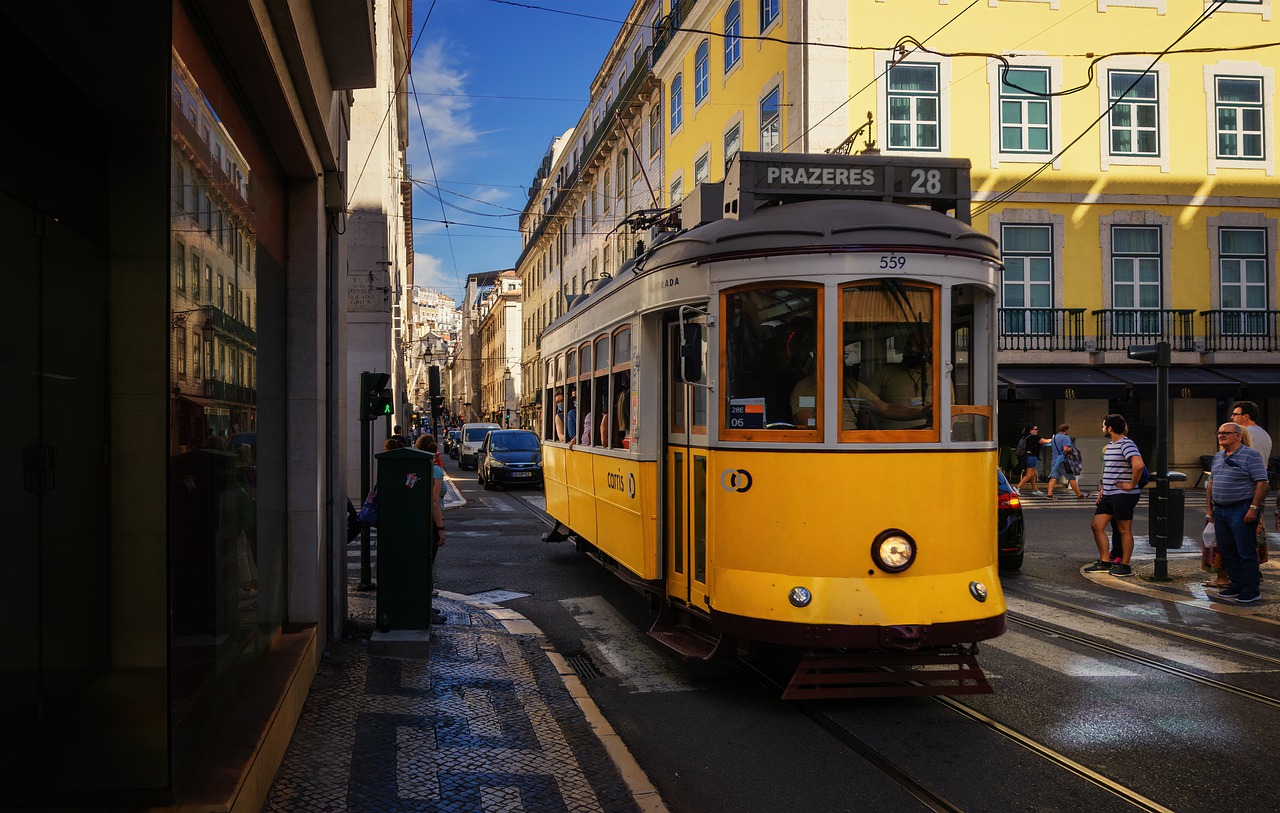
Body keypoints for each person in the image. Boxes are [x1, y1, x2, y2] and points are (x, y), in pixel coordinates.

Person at [1204, 422, 1268, 604]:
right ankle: (1237, 584)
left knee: (1245, 550)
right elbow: (1212, 482)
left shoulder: (1251, 455)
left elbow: (1261, 482)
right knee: (1227, 550)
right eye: (1219, 433)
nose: (1221, 436)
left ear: (1238, 436)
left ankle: (1251, 589)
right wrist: (1210, 508)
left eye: (1226, 433)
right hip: (1221, 510)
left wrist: (1253, 508)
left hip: (1241, 508)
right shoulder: (1218, 456)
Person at [1084, 414, 1145, 577]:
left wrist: (1131, 484)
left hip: (1123, 494)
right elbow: (1110, 470)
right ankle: (1105, 562)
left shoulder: (1127, 444)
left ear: (1110, 428)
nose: (1102, 428)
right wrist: (1103, 488)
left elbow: (1138, 465)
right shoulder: (1111, 445)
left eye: (1104, 425)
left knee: (1124, 529)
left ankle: (1125, 565)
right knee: (1097, 525)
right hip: (1109, 493)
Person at [788, 371, 928, 429]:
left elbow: (884, 408)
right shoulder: (805, 388)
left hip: (852, 442)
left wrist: (920, 413)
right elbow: (808, 422)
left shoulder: (853, 386)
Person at [415, 435, 448, 624]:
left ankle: (425, 606)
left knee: (425, 566)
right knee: (427, 566)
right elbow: (435, 500)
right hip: (432, 523)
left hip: (422, 521)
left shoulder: (420, 467)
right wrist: (441, 528)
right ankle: (426, 610)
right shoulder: (434, 469)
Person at [869, 333, 930, 430]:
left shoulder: (938, 377)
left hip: (928, 440)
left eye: (919, 346)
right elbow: (866, 408)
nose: (912, 349)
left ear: (930, 350)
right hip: (888, 440)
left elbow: (950, 410)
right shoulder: (883, 373)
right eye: (909, 345)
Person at [1046, 424, 1088, 500]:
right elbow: (1066, 449)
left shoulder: (1054, 437)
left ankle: (1049, 494)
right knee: (1071, 478)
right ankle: (1079, 494)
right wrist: (1072, 450)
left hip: (1055, 461)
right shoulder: (1066, 437)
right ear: (1066, 430)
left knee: (1053, 478)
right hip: (1064, 461)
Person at [1015, 424, 1051, 496]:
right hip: (1031, 457)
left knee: (1033, 474)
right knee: (1029, 474)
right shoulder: (1034, 437)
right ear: (1031, 431)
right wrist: (1055, 439)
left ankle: (1035, 489)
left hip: (1029, 456)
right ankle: (1017, 487)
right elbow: (1045, 441)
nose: (1037, 431)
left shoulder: (1026, 437)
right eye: (1035, 429)